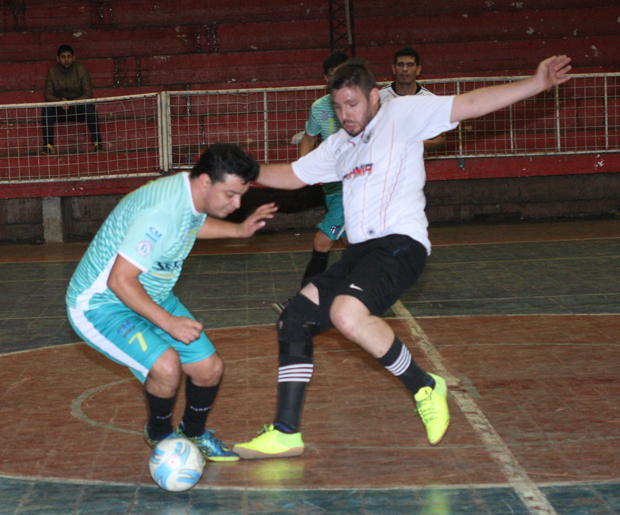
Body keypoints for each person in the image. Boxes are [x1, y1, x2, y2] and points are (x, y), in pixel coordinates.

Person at [233, 55, 572, 459]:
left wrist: (535, 83)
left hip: (400, 245)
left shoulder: (403, 114)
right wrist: (245, 170)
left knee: (346, 313)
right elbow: (293, 175)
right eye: (338, 107)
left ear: (374, 97)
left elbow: (470, 104)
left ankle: (424, 386)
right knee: (294, 319)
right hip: (360, 253)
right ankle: (287, 432)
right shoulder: (340, 145)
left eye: (353, 104)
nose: (345, 115)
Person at [66, 143, 277, 462]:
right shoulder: (161, 212)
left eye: (241, 195)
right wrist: (168, 322)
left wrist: (238, 231)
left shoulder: (188, 193)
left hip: (150, 294)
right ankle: (161, 434)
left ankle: (193, 433)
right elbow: (119, 280)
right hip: (101, 304)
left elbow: (190, 226)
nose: (237, 204)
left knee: (209, 368)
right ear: (205, 181)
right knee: (166, 367)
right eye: (230, 194)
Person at [272, 50, 350, 315]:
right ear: (325, 78)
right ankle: (365, 292)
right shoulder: (319, 108)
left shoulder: (362, 105)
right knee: (352, 243)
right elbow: (308, 137)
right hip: (331, 186)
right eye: (333, 76)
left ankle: (303, 304)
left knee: (322, 241)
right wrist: (304, 168)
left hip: (354, 186)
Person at [380, 46, 446, 151]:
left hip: (416, 160)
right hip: (384, 159)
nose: (405, 69)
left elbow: (441, 140)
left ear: (418, 70)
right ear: (393, 69)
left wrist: (414, 144)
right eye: (400, 65)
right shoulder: (379, 97)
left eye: (410, 65)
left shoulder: (430, 100)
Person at [41, 44, 103, 155]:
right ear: (58, 59)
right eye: (63, 57)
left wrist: (71, 103)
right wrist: (60, 102)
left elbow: (88, 94)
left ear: (73, 57)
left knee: (90, 108)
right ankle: (48, 145)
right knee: (46, 109)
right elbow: (48, 95)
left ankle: (97, 143)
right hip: (60, 108)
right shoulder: (52, 71)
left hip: (78, 108)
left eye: (69, 57)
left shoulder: (81, 69)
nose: (66, 60)